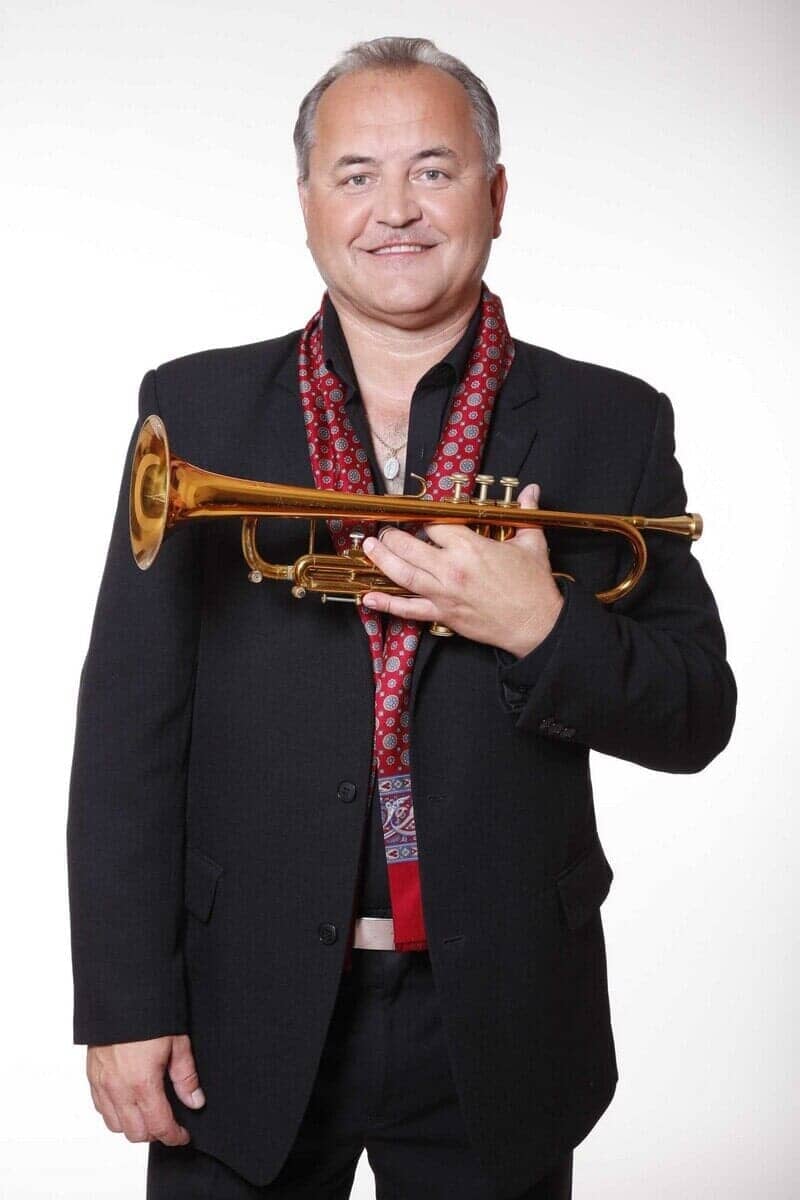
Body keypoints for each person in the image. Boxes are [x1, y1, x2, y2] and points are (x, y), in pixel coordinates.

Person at [66, 35, 737, 1200]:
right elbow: (128, 730)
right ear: (307, 202)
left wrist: (540, 625)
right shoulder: (195, 410)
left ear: (494, 194)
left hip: (503, 1011)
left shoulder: (610, 421)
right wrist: (124, 1001)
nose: (395, 211)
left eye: (433, 170)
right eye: (355, 174)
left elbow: (694, 715)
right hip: (239, 1007)